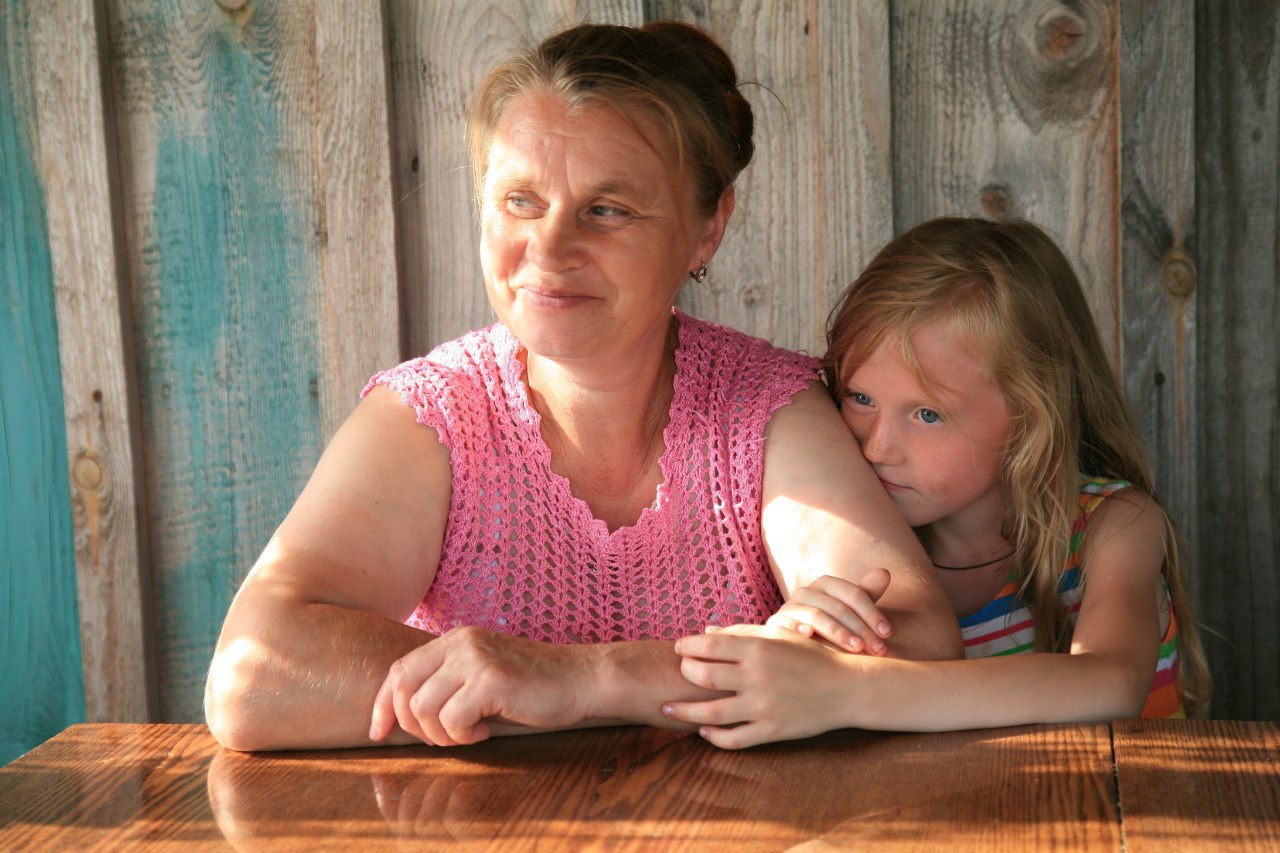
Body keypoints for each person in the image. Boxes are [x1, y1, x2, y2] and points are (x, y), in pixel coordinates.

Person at [203, 22, 960, 752]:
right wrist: (697, 683)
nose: (550, 246)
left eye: (606, 210)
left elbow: (919, 640)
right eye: (520, 201)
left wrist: (580, 680)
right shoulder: (434, 416)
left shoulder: (766, 408)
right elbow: (254, 676)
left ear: (707, 227)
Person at [663, 216, 1212, 748]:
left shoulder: (1113, 527)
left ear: (1032, 416)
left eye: (927, 414)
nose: (877, 448)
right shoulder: (862, 550)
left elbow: (1111, 684)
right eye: (860, 398)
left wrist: (849, 691)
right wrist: (807, 647)